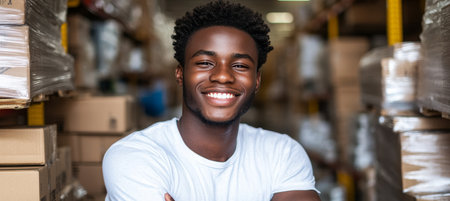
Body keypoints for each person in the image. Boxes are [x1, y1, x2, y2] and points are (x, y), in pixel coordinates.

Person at [103, 1, 321, 201]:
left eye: (240, 66)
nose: (223, 76)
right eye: (205, 63)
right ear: (180, 74)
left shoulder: (283, 153)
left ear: (256, 80)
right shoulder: (134, 157)